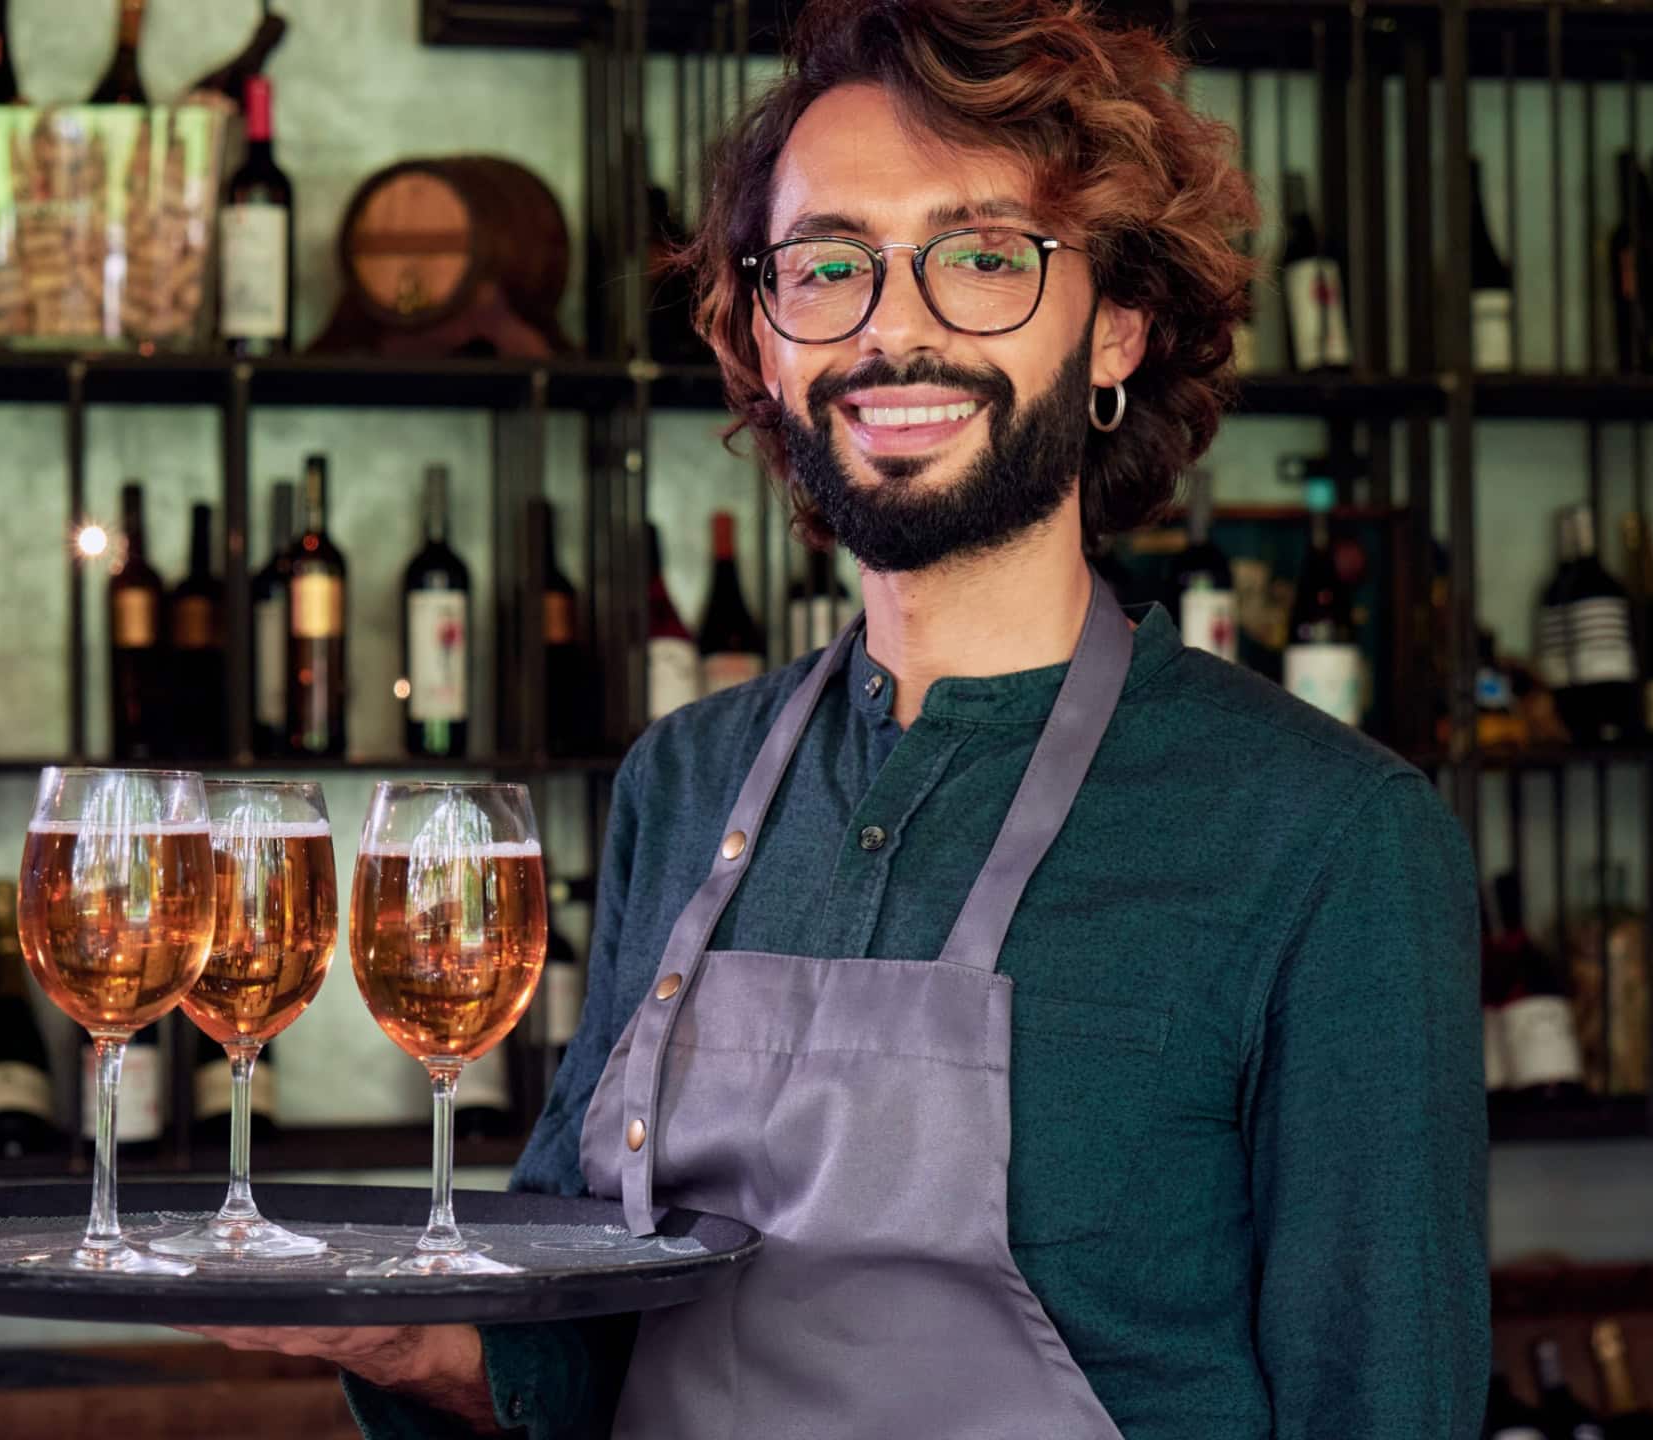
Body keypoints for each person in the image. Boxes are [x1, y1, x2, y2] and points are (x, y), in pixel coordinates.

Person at [197, 1, 1488, 1434]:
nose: (896, 331)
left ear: (1118, 327)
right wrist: (429, 1347)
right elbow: (576, 1327)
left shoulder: (1327, 840)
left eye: (984, 257)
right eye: (828, 267)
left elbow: (1388, 1404)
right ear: (767, 331)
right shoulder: (684, 782)